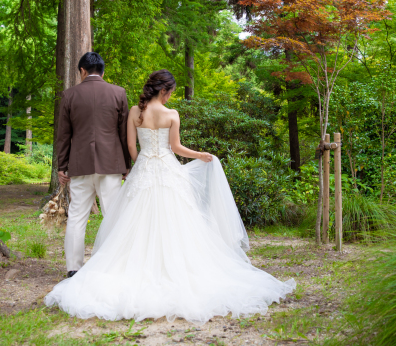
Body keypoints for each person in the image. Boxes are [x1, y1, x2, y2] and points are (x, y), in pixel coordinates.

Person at [45, 70, 295, 324]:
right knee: (177, 218)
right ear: (163, 90)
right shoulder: (172, 114)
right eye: (170, 92)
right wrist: (199, 155)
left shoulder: (135, 112)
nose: (170, 97)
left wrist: (140, 164)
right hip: (167, 169)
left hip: (144, 168)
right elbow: (176, 148)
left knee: (134, 221)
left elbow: (131, 146)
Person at [56, 52, 130, 278]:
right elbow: (124, 132)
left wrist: (62, 165)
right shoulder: (118, 93)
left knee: (77, 216)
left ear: (82, 71)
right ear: (103, 71)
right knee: (112, 215)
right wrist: (126, 165)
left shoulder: (69, 95)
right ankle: (114, 265)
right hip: (111, 164)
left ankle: (73, 268)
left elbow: (63, 135)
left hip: (80, 164)